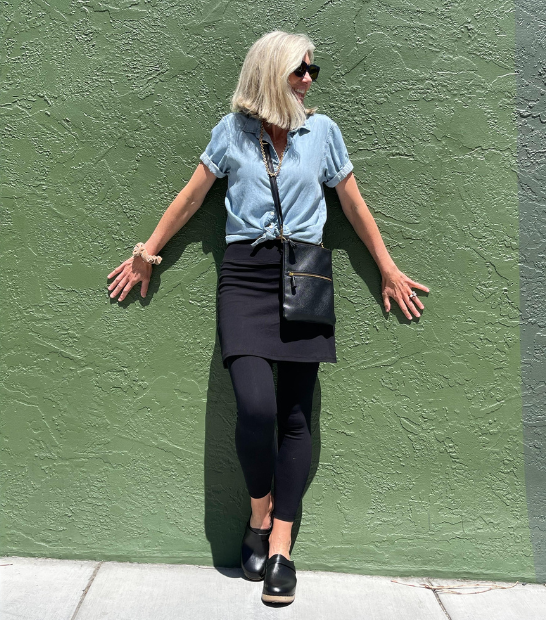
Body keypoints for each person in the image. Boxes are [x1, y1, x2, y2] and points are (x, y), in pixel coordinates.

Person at [106, 31, 428, 605]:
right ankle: (259, 513)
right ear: (269, 73)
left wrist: (387, 268)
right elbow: (190, 197)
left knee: (296, 414)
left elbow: (353, 203)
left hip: (304, 275)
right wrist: (147, 250)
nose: (309, 80)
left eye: (313, 71)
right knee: (254, 404)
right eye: (299, 70)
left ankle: (279, 548)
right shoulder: (231, 133)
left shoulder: (322, 133)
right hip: (245, 276)